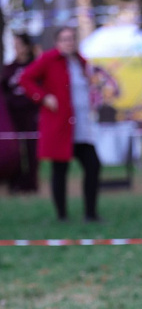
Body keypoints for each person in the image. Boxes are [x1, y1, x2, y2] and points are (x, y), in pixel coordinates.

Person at [20, 26, 101, 222]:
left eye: (72, 38)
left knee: (93, 165)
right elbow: (26, 79)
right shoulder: (48, 59)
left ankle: (90, 214)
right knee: (60, 169)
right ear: (57, 42)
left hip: (81, 125)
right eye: (65, 39)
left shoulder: (80, 61)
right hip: (60, 125)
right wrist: (43, 97)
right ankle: (62, 215)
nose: (69, 42)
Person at [1, 33, 39, 193]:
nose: (16, 49)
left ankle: (30, 181)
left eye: (19, 45)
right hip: (13, 114)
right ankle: (15, 180)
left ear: (27, 46)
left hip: (30, 113)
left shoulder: (35, 65)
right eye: (14, 45)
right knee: (14, 148)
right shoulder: (9, 68)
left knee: (31, 147)